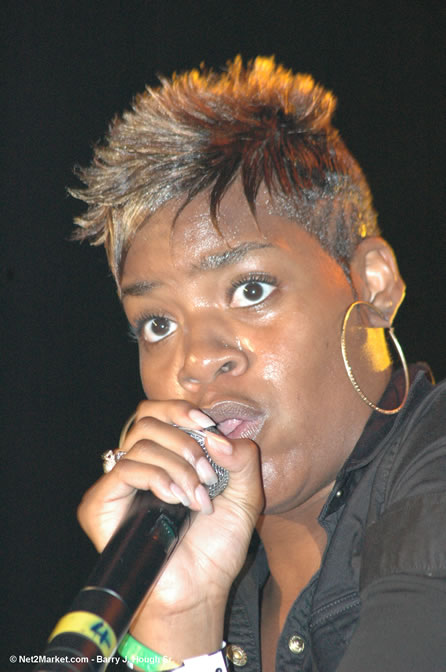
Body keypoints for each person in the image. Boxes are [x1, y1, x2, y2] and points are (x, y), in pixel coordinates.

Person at [70, 56, 446, 671]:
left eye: (250, 290)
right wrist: (180, 620)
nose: (196, 361)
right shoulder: (236, 598)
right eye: (158, 324)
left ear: (373, 285)